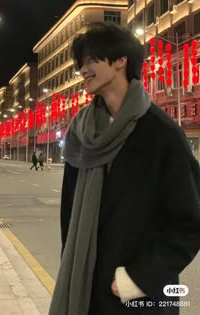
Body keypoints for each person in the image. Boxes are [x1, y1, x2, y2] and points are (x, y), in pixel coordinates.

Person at [49, 22, 200, 315]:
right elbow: (69, 215)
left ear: (121, 61)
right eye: (81, 63)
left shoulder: (160, 134)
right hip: (87, 289)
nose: (83, 70)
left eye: (92, 60)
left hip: (138, 296)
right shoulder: (81, 133)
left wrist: (138, 279)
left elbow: (190, 223)